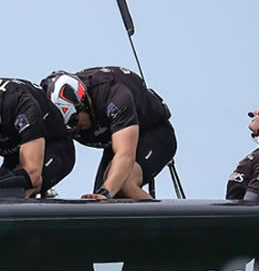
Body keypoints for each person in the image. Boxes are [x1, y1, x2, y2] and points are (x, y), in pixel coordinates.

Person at [42, 66, 177, 200]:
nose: (74, 129)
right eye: (67, 127)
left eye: (74, 121)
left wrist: (106, 192)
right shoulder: (54, 114)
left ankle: (159, 215)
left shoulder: (115, 95)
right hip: (115, 141)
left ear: (84, 102)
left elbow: (125, 154)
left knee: (123, 185)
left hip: (153, 133)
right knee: (100, 203)